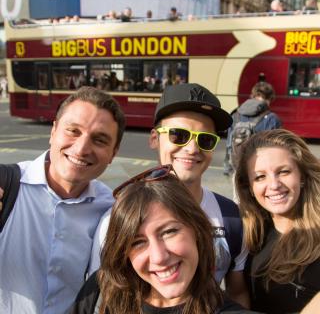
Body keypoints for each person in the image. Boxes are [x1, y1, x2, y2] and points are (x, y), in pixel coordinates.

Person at [90, 83, 250, 308]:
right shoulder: (117, 219)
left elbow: (238, 292)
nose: (193, 148)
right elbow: (106, 294)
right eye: (179, 135)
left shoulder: (232, 217)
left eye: (205, 139)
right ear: (154, 138)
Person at [0, 86, 126, 314]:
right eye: (73, 131)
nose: (81, 148)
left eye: (99, 140)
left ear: (113, 153)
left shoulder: (111, 210)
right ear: (53, 132)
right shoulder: (6, 185)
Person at [70, 167, 259, 314]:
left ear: (198, 231)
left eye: (169, 232)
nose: (159, 257)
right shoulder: (101, 291)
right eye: (137, 242)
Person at [235, 129, 320, 313]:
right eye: (260, 177)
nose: (274, 185)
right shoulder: (247, 233)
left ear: (302, 177)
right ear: (249, 187)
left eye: (283, 172)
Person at [224, 81, 281, 176]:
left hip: (237, 168)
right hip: (261, 172)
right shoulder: (272, 118)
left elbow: (229, 144)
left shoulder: (235, 115)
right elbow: (277, 148)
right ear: (269, 98)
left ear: (253, 95)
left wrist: (228, 168)